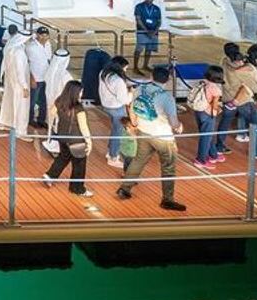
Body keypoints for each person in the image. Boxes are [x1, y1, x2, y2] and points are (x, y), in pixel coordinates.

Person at [117, 65, 187, 211]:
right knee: (168, 167)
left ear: (151, 77)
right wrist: (179, 126)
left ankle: (125, 188)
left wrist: (134, 122)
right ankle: (167, 200)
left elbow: (132, 107)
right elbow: (173, 122)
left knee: (138, 160)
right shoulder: (167, 97)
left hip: (143, 132)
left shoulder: (140, 89)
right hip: (163, 137)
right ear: (167, 81)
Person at [42, 80, 92, 197]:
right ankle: (77, 188)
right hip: (76, 140)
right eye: (80, 92)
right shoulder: (78, 108)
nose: (82, 94)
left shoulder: (59, 102)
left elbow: (51, 113)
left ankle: (50, 175)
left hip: (63, 137)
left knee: (64, 157)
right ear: (75, 92)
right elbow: (83, 127)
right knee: (79, 164)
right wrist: (89, 142)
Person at [222, 43, 257, 147]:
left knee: (225, 123)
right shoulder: (245, 70)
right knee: (255, 124)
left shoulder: (224, 61)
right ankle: (256, 150)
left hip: (227, 97)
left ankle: (219, 145)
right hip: (243, 100)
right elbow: (254, 86)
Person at [97, 56, 133, 168]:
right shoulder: (118, 80)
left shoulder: (103, 73)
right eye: (125, 68)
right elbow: (124, 100)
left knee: (115, 130)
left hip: (106, 105)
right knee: (118, 132)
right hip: (117, 108)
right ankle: (113, 156)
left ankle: (111, 151)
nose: (125, 70)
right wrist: (131, 93)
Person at [190, 65, 226, 169]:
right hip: (208, 113)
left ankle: (213, 154)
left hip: (198, 110)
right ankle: (200, 160)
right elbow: (215, 105)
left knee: (206, 134)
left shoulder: (203, 82)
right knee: (206, 137)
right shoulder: (215, 89)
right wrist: (216, 112)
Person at [25, 27, 54, 132]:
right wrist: (31, 77)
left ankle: (41, 120)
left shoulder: (48, 45)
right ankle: (30, 119)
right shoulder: (30, 47)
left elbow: (49, 60)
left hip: (45, 78)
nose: (44, 37)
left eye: (46, 35)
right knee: (32, 101)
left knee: (44, 101)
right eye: (42, 35)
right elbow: (26, 63)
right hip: (36, 78)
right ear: (37, 35)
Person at [133, 0, 162, 73]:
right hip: (142, 32)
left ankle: (145, 65)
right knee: (139, 49)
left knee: (149, 49)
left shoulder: (157, 8)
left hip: (153, 32)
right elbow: (138, 20)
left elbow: (159, 21)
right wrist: (146, 31)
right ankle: (135, 67)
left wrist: (154, 31)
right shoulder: (139, 7)